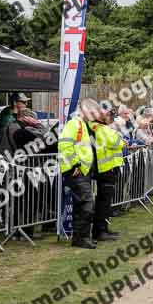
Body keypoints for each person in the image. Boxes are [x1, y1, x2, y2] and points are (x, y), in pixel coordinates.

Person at [58, 99, 101, 249]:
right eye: (92, 112)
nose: (94, 116)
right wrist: (75, 163)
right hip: (76, 170)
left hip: (82, 170)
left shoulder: (83, 124)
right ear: (84, 111)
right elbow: (64, 144)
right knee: (87, 203)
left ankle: (80, 238)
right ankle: (82, 238)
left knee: (81, 204)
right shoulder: (75, 123)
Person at [89, 104, 124, 242]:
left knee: (104, 202)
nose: (111, 118)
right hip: (105, 169)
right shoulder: (100, 128)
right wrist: (118, 137)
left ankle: (103, 229)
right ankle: (100, 231)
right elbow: (117, 142)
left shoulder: (99, 127)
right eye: (109, 115)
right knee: (103, 202)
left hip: (106, 168)